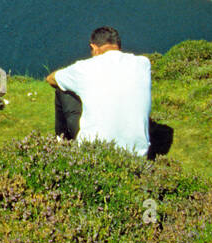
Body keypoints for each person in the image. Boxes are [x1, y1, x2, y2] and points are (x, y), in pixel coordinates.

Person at [45, 26, 151, 156]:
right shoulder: (143, 64)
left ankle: (62, 145)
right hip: (137, 155)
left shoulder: (84, 68)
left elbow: (51, 79)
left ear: (94, 48)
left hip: (95, 153)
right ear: (118, 46)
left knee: (62, 90)